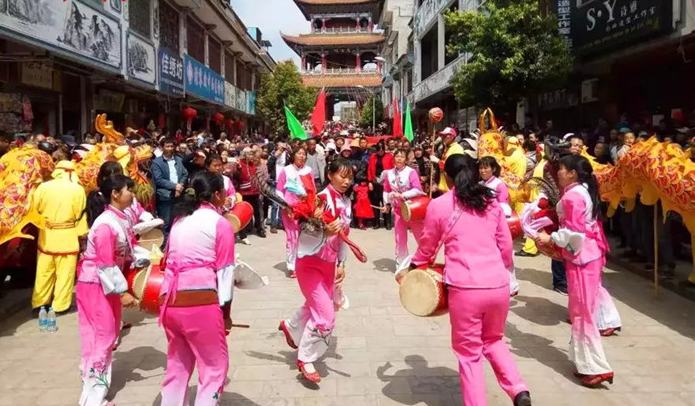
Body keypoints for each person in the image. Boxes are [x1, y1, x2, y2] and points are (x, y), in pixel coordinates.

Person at [410, 154, 531, 406]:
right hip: (498, 285)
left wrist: (414, 267)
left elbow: (427, 246)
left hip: (465, 288)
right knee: (494, 339)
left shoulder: (440, 204)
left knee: (469, 353)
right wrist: (501, 269)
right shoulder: (491, 202)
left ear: (447, 177)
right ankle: (518, 389)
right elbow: (506, 246)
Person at [535, 155, 616, 387]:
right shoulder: (580, 191)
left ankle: (595, 366)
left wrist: (549, 237)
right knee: (582, 311)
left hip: (582, 258)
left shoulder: (573, 196)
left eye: (560, 169)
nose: (557, 173)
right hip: (588, 256)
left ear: (571, 173)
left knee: (581, 312)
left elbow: (575, 235)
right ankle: (586, 362)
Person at [159, 171, 236, 405]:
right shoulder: (220, 224)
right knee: (214, 367)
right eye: (223, 193)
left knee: (177, 366)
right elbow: (226, 273)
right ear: (216, 195)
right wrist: (225, 314)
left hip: (170, 301)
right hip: (200, 303)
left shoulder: (179, 220)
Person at [278, 158, 354, 384]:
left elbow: (344, 236)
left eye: (349, 177)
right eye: (342, 176)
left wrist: (341, 263)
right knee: (326, 318)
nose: (347, 181)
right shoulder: (318, 201)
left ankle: (291, 326)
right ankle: (306, 358)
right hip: (310, 265)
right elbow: (303, 237)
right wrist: (326, 232)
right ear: (329, 175)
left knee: (318, 305)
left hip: (329, 265)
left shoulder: (343, 202)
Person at [78, 174, 139, 406]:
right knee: (101, 338)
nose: (132, 194)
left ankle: (91, 390)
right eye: (129, 190)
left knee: (102, 336)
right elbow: (105, 263)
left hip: (101, 283)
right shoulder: (105, 224)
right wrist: (122, 292)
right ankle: (93, 399)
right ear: (115, 194)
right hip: (97, 285)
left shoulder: (116, 218)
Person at [32, 160, 89, 314]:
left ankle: (39, 303)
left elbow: (34, 209)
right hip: (68, 235)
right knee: (65, 273)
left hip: (46, 235)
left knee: (44, 271)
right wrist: (82, 234)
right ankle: (60, 305)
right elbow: (80, 214)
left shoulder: (43, 187)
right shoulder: (77, 189)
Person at [479, 156, 519, 297]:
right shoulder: (480, 184)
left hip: (498, 224)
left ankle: (511, 285)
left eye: (486, 167)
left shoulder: (499, 185)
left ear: (493, 169)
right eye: (481, 168)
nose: (483, 170)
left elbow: (505, 207)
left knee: (504, 254)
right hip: (485, 225)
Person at [383, 149, 426, 268]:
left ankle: (425, 260)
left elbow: (417, 190)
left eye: (402, 157)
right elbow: (386, 190)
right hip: (398, 209)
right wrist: (387, 204)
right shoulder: (389, 173)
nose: (399, 159)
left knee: (420, 235)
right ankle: (401, 264)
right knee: (399, 237)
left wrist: (403, 195)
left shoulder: (411, 172)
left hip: (413, 208)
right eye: (397, 156)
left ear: (406, 160)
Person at [277, 146, 315, 277]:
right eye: (299, 153)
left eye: (304, 154)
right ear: (293, 155)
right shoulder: (286, 170)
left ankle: (304, 263)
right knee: (292, 238)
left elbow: (313, 190)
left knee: (305, 237)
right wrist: (286, 206)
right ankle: (292, 265)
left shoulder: (308, 170)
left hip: (305, 209)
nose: (302, 156)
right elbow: (279, 191)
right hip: (290, 209)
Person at [152, 137, 188, 240]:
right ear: (162, 147)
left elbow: (184, 174)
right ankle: (165, 244)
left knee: (179, 219)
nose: (170, 148)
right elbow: (159, 179)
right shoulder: (157, 162)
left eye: (171, 146)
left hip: (179, 193)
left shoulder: (179, 160)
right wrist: (174, 186)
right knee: (166, 221)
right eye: (167, 146)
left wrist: (179, 186)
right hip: (165, 195)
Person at [235, 147, 266, 243]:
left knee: (257, 211)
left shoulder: (253, 164)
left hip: (254, 191)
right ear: (244, 155)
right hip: (244, 191)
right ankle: (244, 229)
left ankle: (259, 228)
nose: (251, 156)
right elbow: (236, 177)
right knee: (244, 212)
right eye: (249, 154)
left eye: (252, 154)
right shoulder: (239, 164)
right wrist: (238, 169)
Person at [367, 143, 394, 229]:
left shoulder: (390, 156)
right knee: (375, 202)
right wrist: (370, 181)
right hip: (375, 181)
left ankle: (388, 222)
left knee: (386, 202)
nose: (381, 152)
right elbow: (369, 170)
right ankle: (376, 222)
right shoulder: (372, 157)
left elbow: (393, 168)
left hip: (386, 182)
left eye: (382, 150)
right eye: (379, 150)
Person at [431, 127, 463, 193]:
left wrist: (437, 161)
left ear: (452, 136)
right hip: (443, 185)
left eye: (446, 136)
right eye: (443, 136)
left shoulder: (457, 148)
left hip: (451, 187)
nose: (443, 137)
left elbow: (454, 167)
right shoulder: (446, 147)